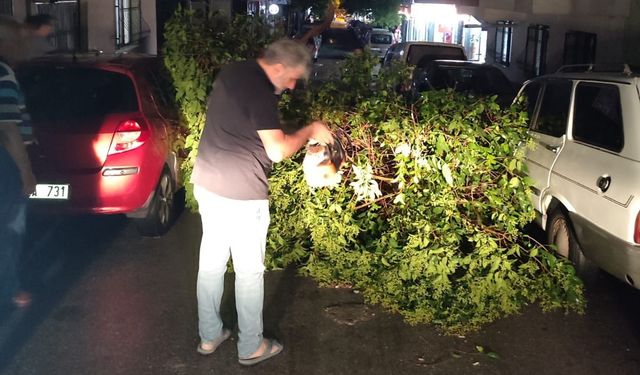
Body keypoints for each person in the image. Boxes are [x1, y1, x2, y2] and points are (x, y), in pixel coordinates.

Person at [191, 38, 333, 366]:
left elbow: (247, 124)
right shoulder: (261, 94)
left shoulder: (234, 72)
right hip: (242, 195)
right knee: (249, 272)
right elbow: (278, 151)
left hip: (209, 183)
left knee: (211, 265)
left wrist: (290, 132)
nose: (293, 85)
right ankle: (251, 346)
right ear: (279, 67)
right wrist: (310, 128)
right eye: (293, 77)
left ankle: (209, 336)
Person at [0, 20, 37, 311]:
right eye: (17, 41)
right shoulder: (4, 74)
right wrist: (26, 173)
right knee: (10, 230)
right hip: (6, 166)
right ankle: (10, 290)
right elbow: (9, 129)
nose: (22, 47)